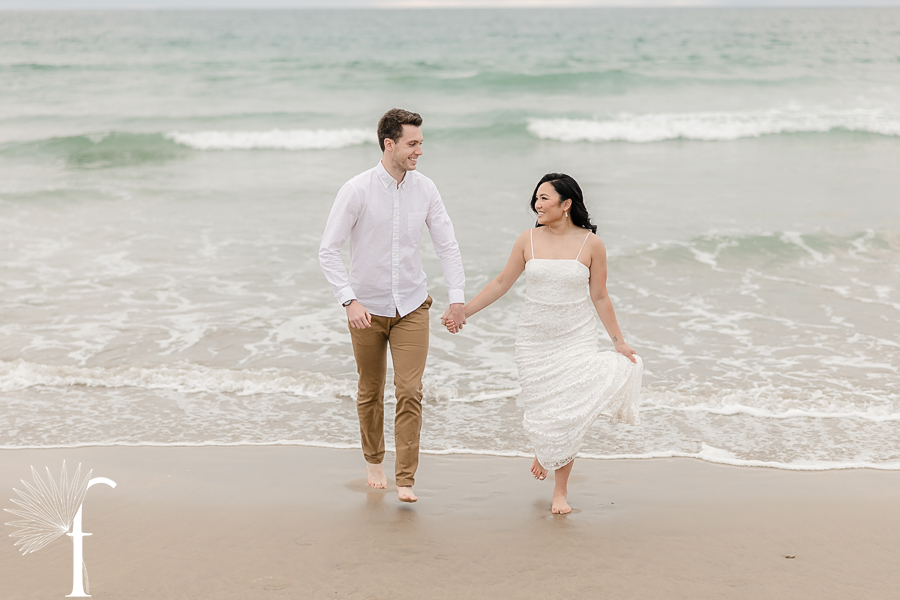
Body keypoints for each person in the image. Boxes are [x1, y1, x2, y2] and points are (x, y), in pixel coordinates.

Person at [442, 173, 642, 514]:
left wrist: (619, 342)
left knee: (567, 410)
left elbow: (600, 295)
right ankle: (547, 449)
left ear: (566, 205)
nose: (537, 204)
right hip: (533, 340)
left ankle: (559, 492)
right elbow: (502, 282)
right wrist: (464, 312)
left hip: (575, 337)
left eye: (545, 198)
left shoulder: (591, 244)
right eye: (536, 198)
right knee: (544, 408)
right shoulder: (527, 240)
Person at [319, 108, 466, 503]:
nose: (420, 150)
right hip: (365, 308)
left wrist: (458, 299)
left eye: (421, 142)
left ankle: (406, 478)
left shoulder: (426, 189)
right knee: (370, 389)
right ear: (390, 144)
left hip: (413, 306)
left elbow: (447, 245)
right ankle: (372, 459)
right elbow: (328, 251)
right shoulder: (356, 190)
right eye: (412, 143)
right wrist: (348, 300)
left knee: (409, 390)